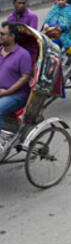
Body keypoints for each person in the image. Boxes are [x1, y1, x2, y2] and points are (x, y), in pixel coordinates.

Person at [0, 21, 33, 152]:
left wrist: (7, 92)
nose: (0, 36)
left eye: (3, 34)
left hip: (16, 95)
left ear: (12, 36)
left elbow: (25, 77)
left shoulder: (23, 54)